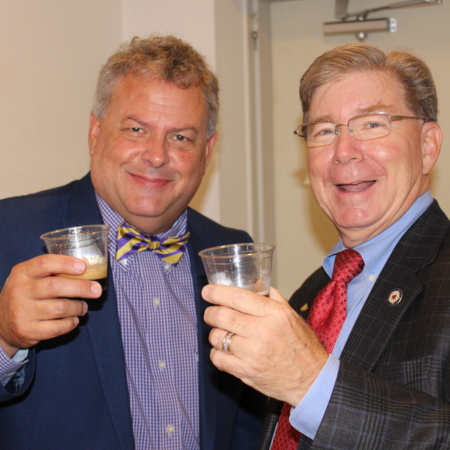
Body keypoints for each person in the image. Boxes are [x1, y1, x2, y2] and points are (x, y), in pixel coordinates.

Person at [0, 35, 266, 450]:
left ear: (207, 151)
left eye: (181, 137)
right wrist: (4, 339)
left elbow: (247, 420)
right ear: (95, 132)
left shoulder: (230, 251)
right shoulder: (9, 232)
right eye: (136, 129)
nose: (156, 155)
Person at [202, 43, 450, 449]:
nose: (343, 151)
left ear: (427, 146)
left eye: (371, 124)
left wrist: (310, 383)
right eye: (324, 131)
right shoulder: (311, 296)